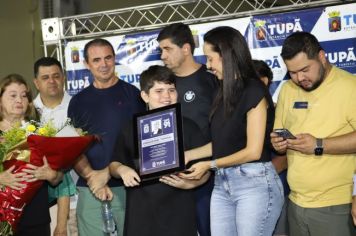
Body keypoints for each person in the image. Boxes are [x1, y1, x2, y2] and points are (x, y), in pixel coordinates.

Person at [181, 26, 284, 236]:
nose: (208, 66)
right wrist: (189, 155)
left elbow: (253, 151)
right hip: (223, 183)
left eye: (210, 59)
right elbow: (223, 142)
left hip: (254, 184)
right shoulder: (222, 92)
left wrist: (209, 165)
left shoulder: (254, 90)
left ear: (226, 55)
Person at [271, 31, 356, 236]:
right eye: (292, 72)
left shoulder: (350, 87)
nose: (300, 78)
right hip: (295, 201)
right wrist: (278, 143)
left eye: (305, 69)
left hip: (337, 205)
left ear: (322, 56)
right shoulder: (287, 90)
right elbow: (277, 135)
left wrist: (319, 144)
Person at [109, 65, 210, 236]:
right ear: (145, 96)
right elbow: (113, 164)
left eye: (171, 90)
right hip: (141, 215)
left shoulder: (190, 127)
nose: (167, 96)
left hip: (179, 213)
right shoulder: (131, 128)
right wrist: (122, 169)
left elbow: (206, 171)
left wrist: (190, 183)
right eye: (159, 91)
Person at [67, 38, 145, 236]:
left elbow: (142, 144)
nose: (103, 64)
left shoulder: (134, 96)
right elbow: (73, 147)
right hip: (90, 188)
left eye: (108, 58)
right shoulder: (77, 102)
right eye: (96, 60)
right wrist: (93, 177)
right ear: (86, 64)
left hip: (129, 187)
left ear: (114, 59)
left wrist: (108, 173)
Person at [157, 22, 218, 236]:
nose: (163, 55)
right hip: (169, 178)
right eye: (160, 50)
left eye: (167, 49)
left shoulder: (212, 81)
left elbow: (226, 133)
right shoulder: (162, 84)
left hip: (207, 178)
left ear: (185, 48)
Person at [0, 74, 63, 236]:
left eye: (24, 95)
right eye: (12, 95)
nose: (19, 100)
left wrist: (51, 174)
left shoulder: (41, 132)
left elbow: (59, 178)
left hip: (36, 217)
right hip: (3, 216)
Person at [33, 57, 76, 236]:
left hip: (75, 203)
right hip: (36, 207)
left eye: (56, 76)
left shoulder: (78, 106)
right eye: (45, 77)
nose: (52, 81)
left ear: (63, 77)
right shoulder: (28, 112)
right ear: (36, 82)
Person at [253, 59, 289, 236]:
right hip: (246, 188)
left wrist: (264, 174)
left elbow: (287, 153)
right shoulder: (237, 116)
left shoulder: (279, 112)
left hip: (276, 185)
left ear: (265, 82)